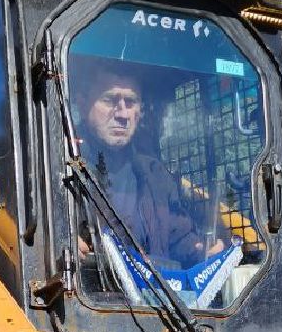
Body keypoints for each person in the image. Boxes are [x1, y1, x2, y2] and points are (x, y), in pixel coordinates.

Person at [74, 63, 224, 270]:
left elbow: (177, 237)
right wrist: (63, 241)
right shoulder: (60, 166)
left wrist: (201, 250)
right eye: (110, 100)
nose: (123, 114)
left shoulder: (155, 174)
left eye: (131, 102)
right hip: (88, 293)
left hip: (154, 296)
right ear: (82, 104)